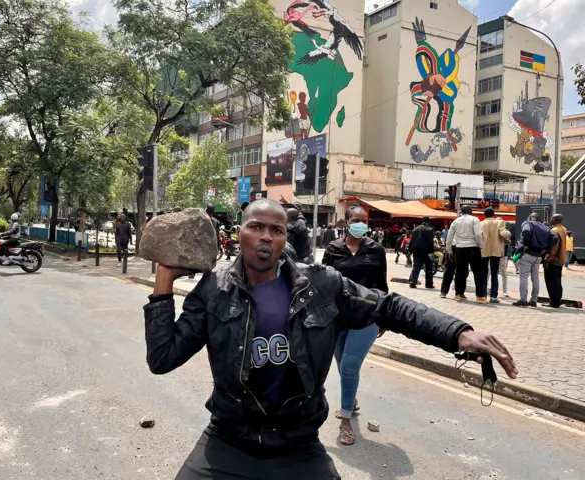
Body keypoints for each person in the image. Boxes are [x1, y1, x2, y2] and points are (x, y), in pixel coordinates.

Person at [144, 199, 517, 479]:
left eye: (276, 230)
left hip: (298, 445)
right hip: (228, 441)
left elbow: (391, 307)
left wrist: (458, 333)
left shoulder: (322, 285)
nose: (266, 237)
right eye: (256, 226)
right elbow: (162, 358)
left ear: (284, 239)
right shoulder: (213, 291)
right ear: (239, 233)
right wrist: (163, 282)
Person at [322, 205, 388, 446]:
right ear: (346, 222)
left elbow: (382, 285)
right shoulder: (333, 249)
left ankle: (346, 421)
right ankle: (353, 398)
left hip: (367, 315)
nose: (360, 223)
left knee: (350, 366)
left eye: (364, 220)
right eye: (356, 220)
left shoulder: (376, 250)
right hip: (339, 316)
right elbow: (325, 281)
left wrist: (384, 316)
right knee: (342, 364)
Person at [513, 212, 556, 307]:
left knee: (523, 277)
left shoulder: (527, 223)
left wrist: (525, 244)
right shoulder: (545, 227)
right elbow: (555, 237)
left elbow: (526, 231)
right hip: (538, 255)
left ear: (530, 217)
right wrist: (546, 249)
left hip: (528, 254)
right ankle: (534, 300)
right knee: (535, 277)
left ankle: (523, 300)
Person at [446, 206, 486, 302]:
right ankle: (479, 296)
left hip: (459, 248)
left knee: (460, 272)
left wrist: (449, 251)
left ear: (461, 212)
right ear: (470, 211)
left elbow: (449, 237)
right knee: (477, 272)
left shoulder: (456, 221)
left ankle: (458, 294)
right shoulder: (474, 219)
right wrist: (480, 246)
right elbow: (478, 234)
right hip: (473, 248)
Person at [480, 208, 511, 304]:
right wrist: (509, 234)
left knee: (484, 273)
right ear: (493, 214)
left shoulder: (481, 223)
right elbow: (504, 233)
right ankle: (493, 296)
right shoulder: (499, 222)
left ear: (484, 215)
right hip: (496, 251)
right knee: (494, 273)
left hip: (484, 250)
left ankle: (483, 295)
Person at [543, 214, 567, 308]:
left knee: (551, 281)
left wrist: (548, 259)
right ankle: (557, 300)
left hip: (554, 260)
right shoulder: (563, 229)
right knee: (557, 281)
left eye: (552, 218)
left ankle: (553, 302)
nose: (550, 219)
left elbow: (554, 247)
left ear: (556, 220)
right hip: (561, 259)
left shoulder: (554, 230)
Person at [409, 216, 435, 289]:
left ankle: (412, 282)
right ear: (428, 222)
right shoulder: (430, 229)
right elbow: (430, 242)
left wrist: (410, 250)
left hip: (416, 251)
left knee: (416, 266)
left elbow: (412, 241)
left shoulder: (415, 229)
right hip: (426, 251)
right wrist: (431, 251)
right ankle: (428, 284)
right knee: (428, 267)